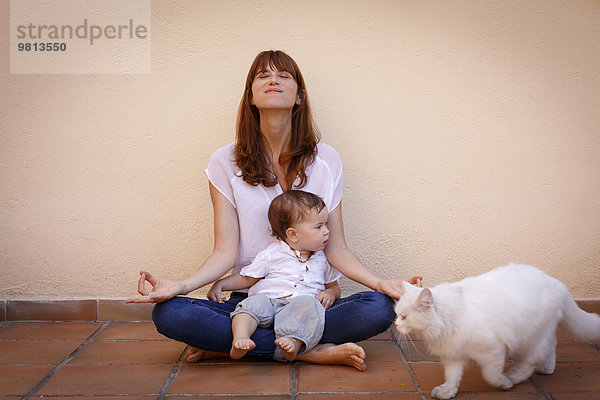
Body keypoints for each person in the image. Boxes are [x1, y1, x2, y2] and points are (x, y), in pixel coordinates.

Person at [127, 49, 421, 371]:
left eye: (284, 75)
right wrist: (181, 286)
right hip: (253, 301)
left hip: (308, 304)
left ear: (299, 96)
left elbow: (335, 247)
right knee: (171, 313)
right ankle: (309, 349)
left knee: (378, 306)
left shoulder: (327, 160)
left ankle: (235, 347)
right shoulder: (224, 162)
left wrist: (381, 284)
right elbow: (225, 252)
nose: (273, 80)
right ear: (251, 96)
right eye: (263, 75)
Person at [208, 190, 341, 361]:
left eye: (326, 225)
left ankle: (292, 342)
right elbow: (248, 278)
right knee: (251, 304)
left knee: (310, 305)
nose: (327, 231)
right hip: (268, 302)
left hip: (298, 308)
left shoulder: (323, 259)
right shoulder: (272, 253)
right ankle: (241, 337)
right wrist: (221, 284)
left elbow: (334, 287)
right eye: (319, 227)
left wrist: (330, 294)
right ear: (293, 234)